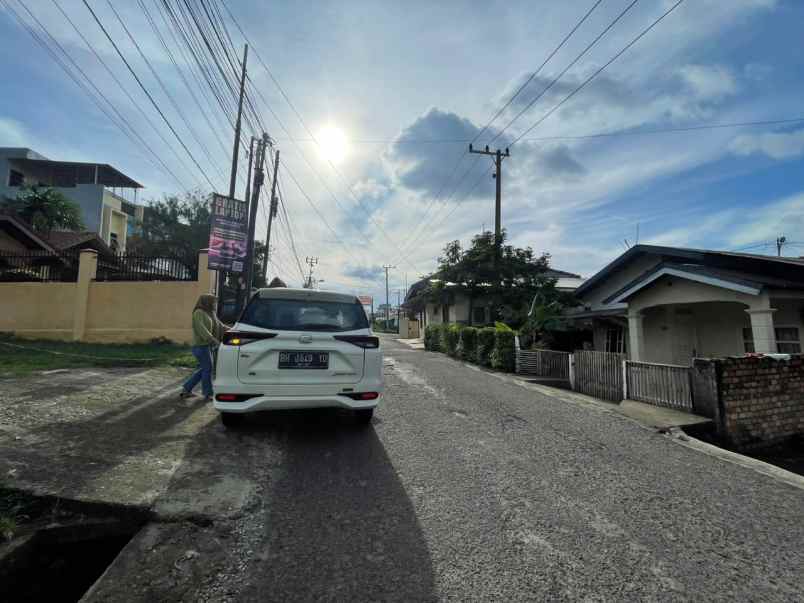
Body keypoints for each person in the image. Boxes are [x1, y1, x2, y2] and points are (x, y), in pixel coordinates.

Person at [180, 294, 224, 401]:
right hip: (200, 347)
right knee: (207, 369)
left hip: (207, 346)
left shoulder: (211, 313)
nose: (215, 304)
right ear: (206, 302)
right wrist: (214, 340)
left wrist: (234, 329)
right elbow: (202, 330)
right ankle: (208, 393)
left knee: (205, 369)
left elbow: (220, 325)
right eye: (213, 302)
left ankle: (186, 389)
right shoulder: (198, 313)